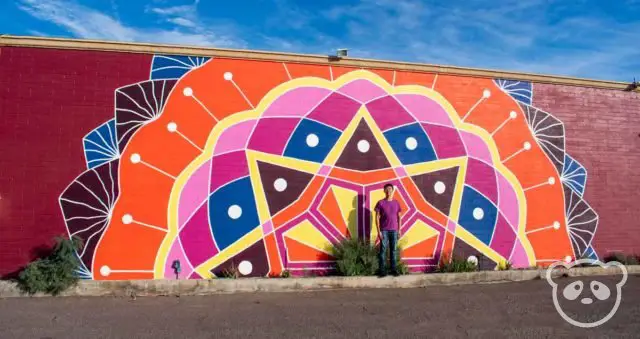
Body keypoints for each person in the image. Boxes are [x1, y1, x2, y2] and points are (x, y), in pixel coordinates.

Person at [374, 183, 402, 277]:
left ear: (392, 190)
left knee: (393, 250)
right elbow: (377, 218)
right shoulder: (380, 203)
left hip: (394, 230)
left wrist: (399, 230)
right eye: (386, 189)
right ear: (384, 191)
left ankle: (393, 269)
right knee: (383, 250)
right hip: (384, 230)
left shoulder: (396, 203)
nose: (388, 191)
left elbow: (399, 217)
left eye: (390, 189)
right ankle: (382, 270)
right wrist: (379, 232)